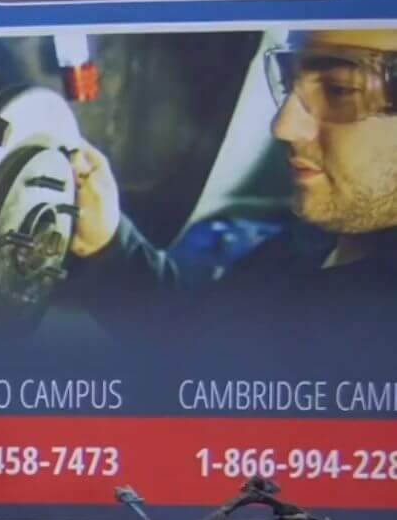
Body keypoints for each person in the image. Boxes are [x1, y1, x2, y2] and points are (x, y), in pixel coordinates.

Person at [63, 28, 397, 310]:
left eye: (340, 91)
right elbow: (194, 338)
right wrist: (108, 246)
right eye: (287, 79)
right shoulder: (316, 238)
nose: (283, 126)